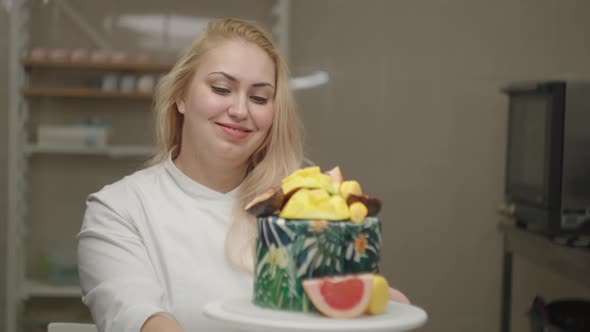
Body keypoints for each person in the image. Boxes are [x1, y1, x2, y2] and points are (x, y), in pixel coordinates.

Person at [78, 18, 409, 332]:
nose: (239, 110)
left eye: (259, 97)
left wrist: (377, 307)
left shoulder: (300, 207)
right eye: (221, 89)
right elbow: (141, 319)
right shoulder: (118, 210)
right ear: (180, 95)